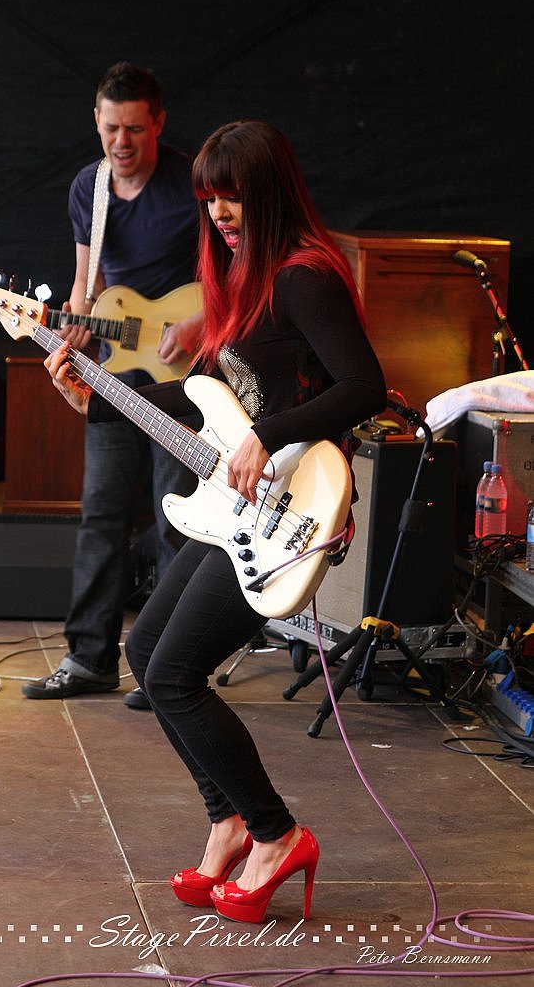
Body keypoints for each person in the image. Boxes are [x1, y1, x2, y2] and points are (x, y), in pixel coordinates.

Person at [41, 120, 387, 922]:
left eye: (232, 198)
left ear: (269, 193)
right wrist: (93, 396)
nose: (219, 214)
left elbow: (364, 386)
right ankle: (228, 820)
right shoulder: (238, 278)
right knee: (144, 652)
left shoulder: (304, 276)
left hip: (291, 506)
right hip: (241, 506)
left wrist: (269, 435)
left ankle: (274, 834)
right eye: (208, 200)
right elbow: (201, 397)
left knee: (171, 673)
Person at [23, 62, 202, 707]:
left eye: (134, 129)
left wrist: (198, 323)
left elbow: (238, 273)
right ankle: (88, 660)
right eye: (110, 129)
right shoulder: (88, 188)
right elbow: (85, 284)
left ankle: (169, 667)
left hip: (183, 376)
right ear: (96, 123)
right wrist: (71, 330)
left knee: (176, 519)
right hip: (114, 373)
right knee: (100, 514)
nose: (121, 142)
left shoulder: (193, 183)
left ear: (158, 123)